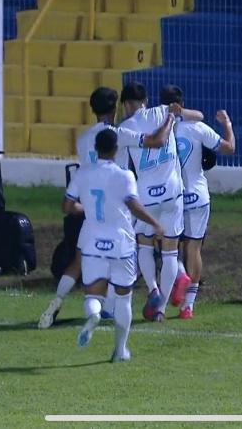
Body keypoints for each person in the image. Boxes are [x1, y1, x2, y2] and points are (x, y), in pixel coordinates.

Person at [38, 87, 175, 329]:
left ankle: (58, 299)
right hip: (117, 210)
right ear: (114, 109)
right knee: (122, 262)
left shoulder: (82, 140)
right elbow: (156, 141)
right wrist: (169, 120)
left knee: (79, 261)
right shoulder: (117, 135)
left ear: (92, 110)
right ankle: (112, 309)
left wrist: (83, 207)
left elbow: (71, 198)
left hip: (92, 209)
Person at [63, 129, 164, 362]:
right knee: (123, 297)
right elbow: (133, 204)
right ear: (116, 150)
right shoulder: (124, 175)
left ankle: (94, 316)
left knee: (93, 295)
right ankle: (120, 350)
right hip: (121, 243)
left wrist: (85, 208)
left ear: (95, 149)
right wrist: (155, 223)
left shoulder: (83, 173)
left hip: (93, 243)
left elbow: (67, 207)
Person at [120, 81, 203, 321]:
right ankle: (161, 309)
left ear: (126, 105)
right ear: (144, 101)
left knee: (144, 244)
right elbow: (198, 116)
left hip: (146, 196)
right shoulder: (162, 111)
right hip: (172, 194)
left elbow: (125, 167)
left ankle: (153, 290)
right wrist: (179, 111)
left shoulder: (124, 129)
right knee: (169, 253)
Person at [160, 84, 235, 319]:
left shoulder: (159, 127)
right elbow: (229, 148)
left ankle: (179, 274)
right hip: (197, 194)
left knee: (165, 245)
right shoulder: (197, 127)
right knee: (194, 248)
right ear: (183, 102)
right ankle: (188, 306)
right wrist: (227, 124)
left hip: (171, 194)